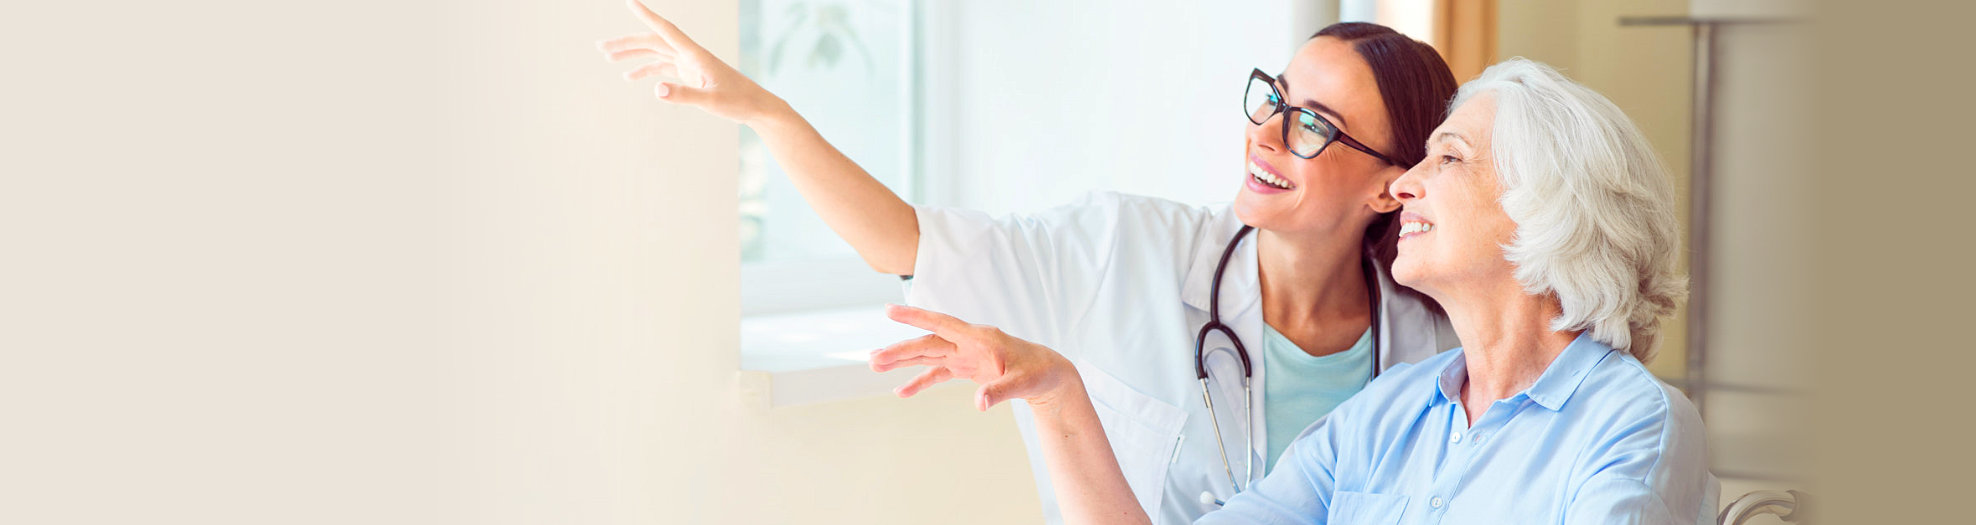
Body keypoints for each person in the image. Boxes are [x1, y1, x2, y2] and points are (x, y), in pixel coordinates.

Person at [600, 3, 1458, 522]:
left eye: (1312, 124)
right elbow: (903, 241)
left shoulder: (1436, 344)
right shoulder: (1127, 248)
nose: (1265, 133)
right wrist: (766, 112)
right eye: (1273, 97)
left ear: (1392, 187)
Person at [870, 58, 1716, 524]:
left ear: (1547, 213)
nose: (1409, 184)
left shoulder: (1630, 424)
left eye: (1449, 157)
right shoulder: (1387, 414)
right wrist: (1060, 393)